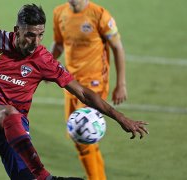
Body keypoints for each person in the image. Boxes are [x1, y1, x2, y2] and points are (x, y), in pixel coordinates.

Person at [0, 4, 148, 180]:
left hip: (14, 132)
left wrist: (120, 118)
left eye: (40, 35)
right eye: (30, 35)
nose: (36, 41)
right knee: (9, 113)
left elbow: (83, 93)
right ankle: (44, 175)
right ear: (16, 31)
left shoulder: (43, 60)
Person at [51, 0, 128, 179]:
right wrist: (48, 65)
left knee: (83, 135)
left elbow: (117, 47)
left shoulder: (100, 15)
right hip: (69, 83)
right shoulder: (59, 13)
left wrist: (121, 84)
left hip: (95, 84)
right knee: (79, 138)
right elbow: (59, 44)